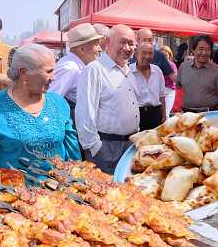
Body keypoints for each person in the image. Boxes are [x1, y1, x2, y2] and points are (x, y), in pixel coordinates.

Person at [0, 44, 81, 169]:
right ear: (24, 73)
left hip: (59, 186)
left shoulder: (59, 104)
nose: (53, 77)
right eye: (49, 71)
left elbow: (74, 158)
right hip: (13, 187)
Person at [75, 24, 140, 175]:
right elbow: (85, 114)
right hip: (106, 147)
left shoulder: (128, 70)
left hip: (130, 146)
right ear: (107, 42)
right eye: (122, 42)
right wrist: (96, 148)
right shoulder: (94, 70)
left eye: (131, 44)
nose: (127, 48)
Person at [48, 23, 103, 122]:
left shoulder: (77, 66)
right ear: (82, 49)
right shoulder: (70, 68)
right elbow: (52, 100)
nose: (100, 49)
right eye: (96, 45)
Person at [177, 35, 218, 112]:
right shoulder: (183, 67)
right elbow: (178, 90)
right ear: (193, 50)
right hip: (187, 114)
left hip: (209, 115)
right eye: (201, 49)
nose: (204, 53)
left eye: (208, 49)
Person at [131, 42, 166, 130]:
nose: (147, 56)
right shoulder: (129, 72)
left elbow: (162, 96)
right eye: (144, 53)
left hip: (155, 113)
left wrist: (164, 115)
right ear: (136, 54)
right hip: (137, 114)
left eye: (150, 53)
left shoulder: (157, 71)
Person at [159, 45, 177, 118]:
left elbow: (175, 79)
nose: (164, 57)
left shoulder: (171, 65)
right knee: (159, 114)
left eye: (166, 55)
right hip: (159, 91)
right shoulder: (157, 65)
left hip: (169, 91)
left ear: (169, 55)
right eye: (162, 55)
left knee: (165, 114)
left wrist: (168, 72)